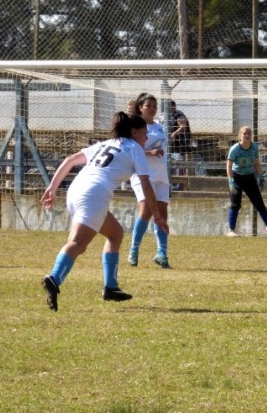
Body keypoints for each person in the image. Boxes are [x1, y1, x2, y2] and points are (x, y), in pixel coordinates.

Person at [39, 112, 168, 311]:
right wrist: (157, 216)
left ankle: (111, 288)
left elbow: (70, 160)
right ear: (134, 133)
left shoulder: (107, 144)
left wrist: (52, 188)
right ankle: (54, 278)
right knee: (78, 243)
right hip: (94, 194)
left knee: (115, 234)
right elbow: (146, 185)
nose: (146, 139)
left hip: (76, 190)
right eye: (144, 135)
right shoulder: (135, 148)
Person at [126, 93, 173, 269]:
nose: (152, 109)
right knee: (146, 210)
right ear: (140, 107)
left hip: (161, 175)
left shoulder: (159, 126)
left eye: (154, 106)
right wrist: (150, 152)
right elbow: (131, 149)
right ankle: (134, 250)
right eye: (148, 106)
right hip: (142, 175)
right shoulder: (135, 127)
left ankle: (161, 253)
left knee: (162, 212)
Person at [226, 126, 267, 237]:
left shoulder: (254, 147)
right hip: (237, 177)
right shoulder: (235, 148)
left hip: (249, 177)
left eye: (249, 133)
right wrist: (231, 181)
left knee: (259, 204)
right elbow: (229, 166)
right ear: (240, 135)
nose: (247, 135)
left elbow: (256, 163)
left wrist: (261, 176)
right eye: (244, 133)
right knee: (235, 204)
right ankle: (231, 230)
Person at [168, 100, 194, 178]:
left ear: (174, 107)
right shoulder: (171, 116)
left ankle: (184, 180)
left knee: (181, 163)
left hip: (182, 143)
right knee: (179, 163)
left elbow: (183, 126)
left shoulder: (178, 114)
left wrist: (174, 134)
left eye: (170, 107)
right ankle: (183, 179)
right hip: (177, 144)